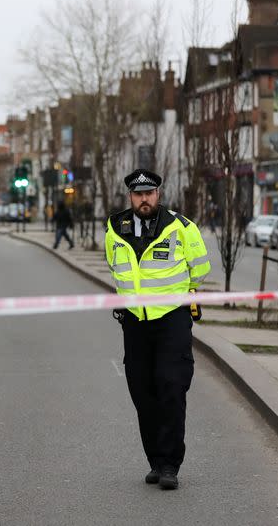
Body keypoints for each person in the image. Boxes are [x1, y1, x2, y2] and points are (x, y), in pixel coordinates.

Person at [105, 169, 211, 491]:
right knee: (142, 391)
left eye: (150, 193)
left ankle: (169, 465)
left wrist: (186, 294)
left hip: (172, 318)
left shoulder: (180, 227)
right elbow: (114, 266)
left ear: (159, 195)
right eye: (139, 195)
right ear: (131, 198)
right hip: (135, 322)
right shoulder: (115, 228)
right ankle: (154, 460)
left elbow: (200, 268)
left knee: (171, 386)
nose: (144, 199)